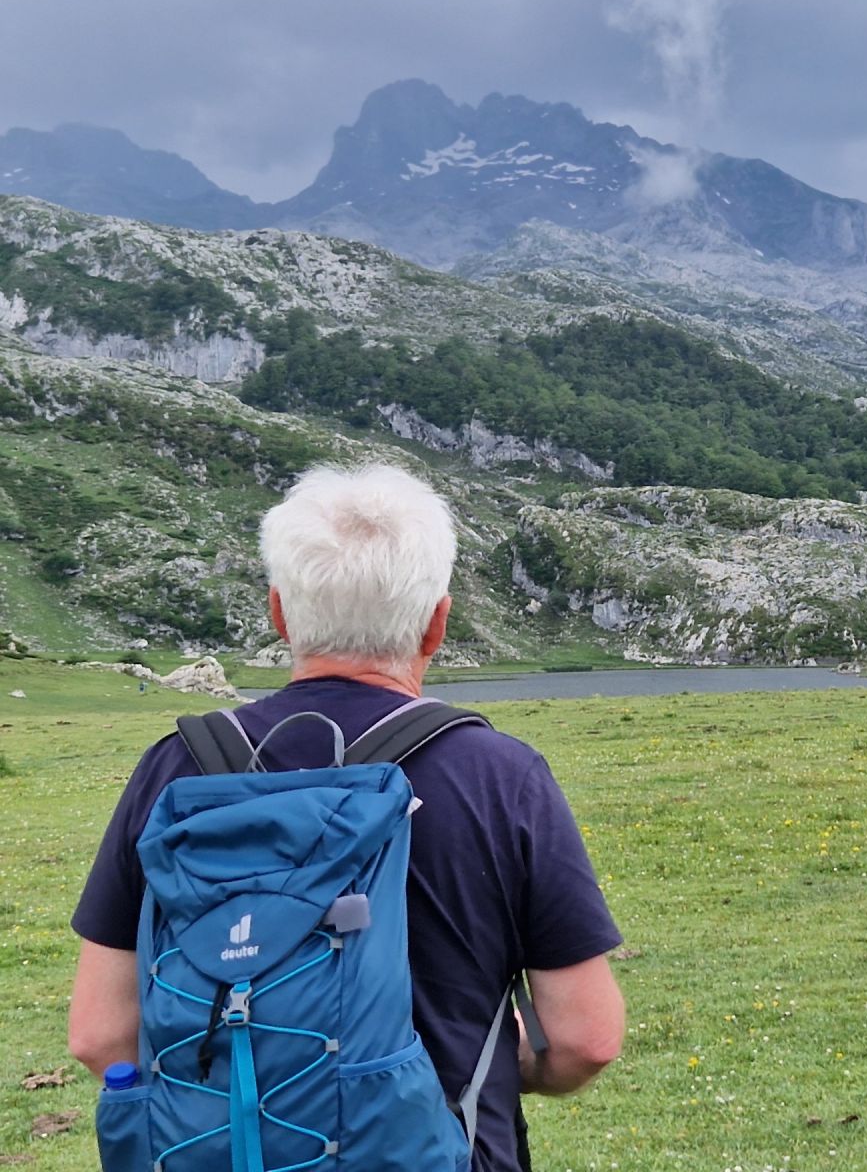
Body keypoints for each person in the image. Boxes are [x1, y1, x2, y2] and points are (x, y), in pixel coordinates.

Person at [67, 463, 625, 1172]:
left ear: (278, 612)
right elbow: (586, 1039)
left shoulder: (177, 767)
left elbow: (98, 1034)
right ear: (437, 623)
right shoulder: (501, 775)